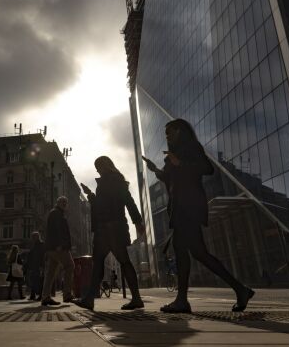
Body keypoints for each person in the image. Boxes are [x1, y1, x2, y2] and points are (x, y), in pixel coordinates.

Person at [143, 118, 254, 313]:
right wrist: (155, 170)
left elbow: (207, 168)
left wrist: (180, 162)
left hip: (189, 206)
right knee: (197, 253)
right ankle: (239, 289)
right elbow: (169, 178)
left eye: (169, 132)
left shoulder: (191, 147)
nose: (167, 136)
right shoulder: (173, 155)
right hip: (179, 207)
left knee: (184, 250)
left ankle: (183, 300)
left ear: (180, 131)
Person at [74, 156, 146, 311]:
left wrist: (138, 221)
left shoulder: (111, 180)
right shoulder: (113, 180)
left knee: (119, 262)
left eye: (98, 166)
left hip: (110, 228)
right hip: (109, 228)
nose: (97, 170)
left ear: (105, 166)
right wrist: (91, 195)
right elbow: (104, 204)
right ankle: (90, 299)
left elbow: (127, 200)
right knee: (103, 262)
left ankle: (135, 298)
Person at [40, 196, 75, 306]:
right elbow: (57, 229)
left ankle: (45, 297)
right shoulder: (56, 213)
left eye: (66, 202)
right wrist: (59, 244)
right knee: (70, 266)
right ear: (57, 203)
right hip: (58, 247)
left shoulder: (57, 213)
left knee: (50, 273)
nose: (64, 204)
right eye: (62, 202)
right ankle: (67, 294)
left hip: (51, 248)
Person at [26, 231, 46, 301]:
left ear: (37, 237)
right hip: (34, 265)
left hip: (39, 265)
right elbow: (31, 256)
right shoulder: (33, 245)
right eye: (32, 237)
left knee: (39, 281)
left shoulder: (41, 244)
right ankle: (33, 295)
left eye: (34, 237)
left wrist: (42, 265)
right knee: (33, 280)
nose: (33, 238)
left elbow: (42, 255)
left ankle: (40, 295)